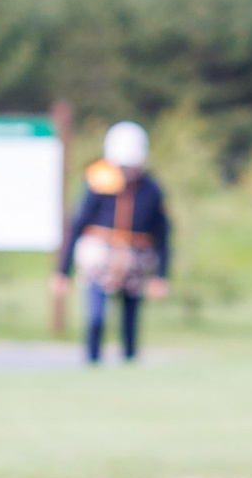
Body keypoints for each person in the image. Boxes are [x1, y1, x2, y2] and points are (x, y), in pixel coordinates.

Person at [60, 120, 171, 363]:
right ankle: (91, 361)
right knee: (96, 318)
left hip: (136, 260)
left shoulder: (151, 189)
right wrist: (62, 270)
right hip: (100, 258)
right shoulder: (98, 182)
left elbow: (163, 232)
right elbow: (77, 224)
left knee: (130, 320)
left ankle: (129, 363)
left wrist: (161, 275)